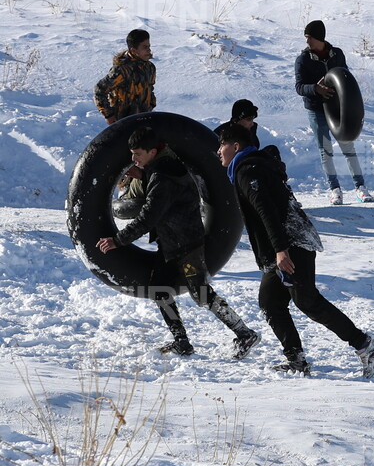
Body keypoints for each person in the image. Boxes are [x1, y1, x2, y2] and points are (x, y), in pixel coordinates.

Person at [218, 124, 374, 378]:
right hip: (287, 242)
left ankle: (364, 344)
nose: (219, 151)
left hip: (290, 243)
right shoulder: (252, 166)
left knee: (306, 300)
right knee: (271, 302)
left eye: (222, 145)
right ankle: (296, 360)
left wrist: (281, 250)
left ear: (236, 147)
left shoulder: (246, 170)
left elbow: (266, 212)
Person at [96, 127, 259, 359]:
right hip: (170, 242)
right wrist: (142, 175)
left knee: (201, 293)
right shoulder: (162, 167)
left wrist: (118, 240)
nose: (133, 159)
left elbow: (149, 216)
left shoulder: (163, 177)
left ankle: (244, 333)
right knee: (158, 289)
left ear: (153, 151)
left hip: (186, 245)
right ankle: (181, 340)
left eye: (138, 154)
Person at [294, 20, 371, 205]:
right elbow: (299, 87)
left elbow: (344, 75)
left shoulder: (337, 54)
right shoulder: (302, 60)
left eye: (310, 37)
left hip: (337, 107)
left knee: (348, 147)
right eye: (306, 37)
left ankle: (360, 188)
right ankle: (334, 190)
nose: (307, 41)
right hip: (316, 110)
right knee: (325, 151)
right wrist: (315, 89)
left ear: (319, 37)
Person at [94, 29, 157, 125]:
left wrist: (151, 104)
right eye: (144, 47)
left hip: (143, 119)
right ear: (133, 50)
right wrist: (108, 115)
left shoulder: (150, 68)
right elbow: (99, 90)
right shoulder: (122, 70)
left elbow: (150, 88)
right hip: (123, 122)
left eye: (149, 46)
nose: (149, 50)